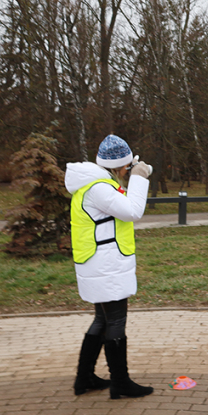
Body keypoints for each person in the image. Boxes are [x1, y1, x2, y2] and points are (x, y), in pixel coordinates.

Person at [65, 134, 154, 399]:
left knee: (103, 319)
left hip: (100, 263)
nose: (128, 171)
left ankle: (85, 378)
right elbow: (133, 211)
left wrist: (130, 176)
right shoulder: (99, 188)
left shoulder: (96, 184)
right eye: (127, 166)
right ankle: (121, 383)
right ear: (120, 165)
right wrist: (139, 177)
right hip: (106, 264)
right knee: (115, 320)